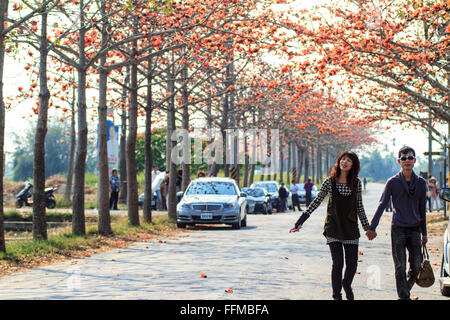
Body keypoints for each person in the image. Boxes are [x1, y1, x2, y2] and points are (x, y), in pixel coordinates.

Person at [290, 151, 372, 300]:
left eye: (348, 160)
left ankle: (346, 284)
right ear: (339, 162)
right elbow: (316, 201)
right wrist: (300, 221)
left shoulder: (356, 183)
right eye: (342, 159)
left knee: (352, 264)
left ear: (353, 165)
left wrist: (368, 228)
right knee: (338, 263)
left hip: (351, 228)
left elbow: (360, 207)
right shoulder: (329, 182)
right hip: (333, 227)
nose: (344, 162)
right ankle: (337, 296)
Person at [367, 146, 427, 300]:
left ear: (415, 160)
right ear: (399, 161)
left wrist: (424, 233)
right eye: (404, 158)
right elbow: (382, 204)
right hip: (398, 228)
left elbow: (422, 210)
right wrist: (372, 227)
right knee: (399, 266)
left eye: (410, 157)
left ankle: (404, 290)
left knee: (416, 266)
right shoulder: (392, 182)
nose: (407, 160)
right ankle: (404, 297)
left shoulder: (421, 183)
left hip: (415, 229)